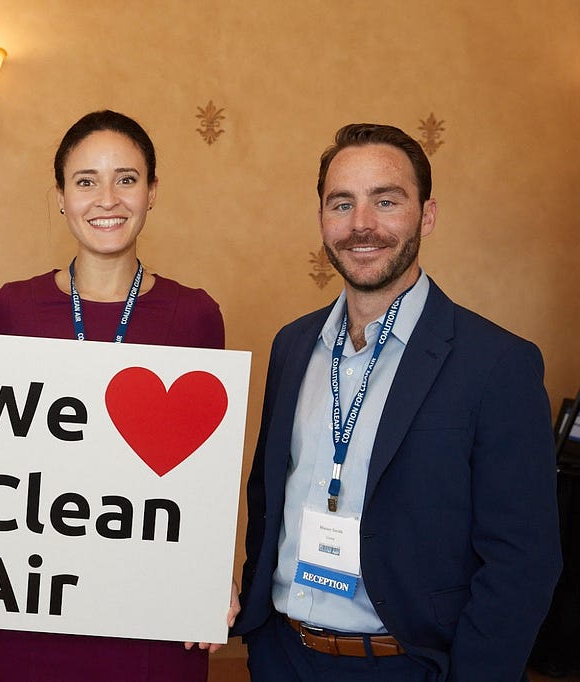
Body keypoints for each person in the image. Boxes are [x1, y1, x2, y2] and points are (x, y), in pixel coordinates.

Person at [233, 122, 562, 681]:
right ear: (321, 221)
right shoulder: (293, 346)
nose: (362, 224)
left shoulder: (497, 364)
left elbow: (522, 561)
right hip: (280, 657)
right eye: (342, 204)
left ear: (426, 216)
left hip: (404, 665)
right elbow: (268, 496)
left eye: (385, 201)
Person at [0, 109, 238, 681]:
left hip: (156, 609)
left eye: (126, 179)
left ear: (152, 193)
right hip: (42, 601)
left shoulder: (195, 316)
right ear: (60, 196)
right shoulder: (13, 310)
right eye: (86, 181)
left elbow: (205, 474)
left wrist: (216, 570)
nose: (107, 199)